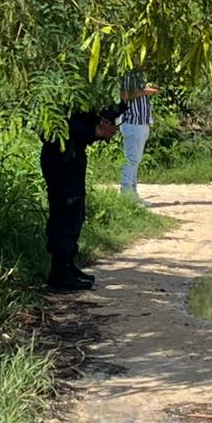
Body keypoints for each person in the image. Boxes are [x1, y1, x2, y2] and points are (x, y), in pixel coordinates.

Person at [40, 107, 120, 291]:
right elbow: (57, 128)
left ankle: (68, 265)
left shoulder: (78, 96)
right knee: (65, 212)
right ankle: (59, 273)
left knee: (76, 213)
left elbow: (90, 117)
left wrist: (122, 104)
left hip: (73, 156)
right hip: (61, 158)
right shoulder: (54, 98)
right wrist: (95, 131)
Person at [119, 71, 159, 204]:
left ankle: (133, 191)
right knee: (132, 159)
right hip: (132, 122)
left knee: (136, 159)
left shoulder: (140, 75)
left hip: (142, 122)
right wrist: (143, 92)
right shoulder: (128, 75)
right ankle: (125, 191)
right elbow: (123, 95)